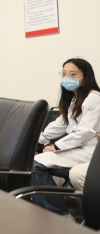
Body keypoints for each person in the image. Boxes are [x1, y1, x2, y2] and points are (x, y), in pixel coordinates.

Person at [31, 58, 100, 215]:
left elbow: (86, 132)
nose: (67, 78)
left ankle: (59, 215)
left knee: (35, 164)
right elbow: (61, 124)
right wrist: (35, 140)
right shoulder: (75, 98)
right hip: (76, 147)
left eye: (73, 74)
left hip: (90, 150)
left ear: (85, 77)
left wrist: (55, 146)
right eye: (64, 74)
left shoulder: (94, 98)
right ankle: (44, 212)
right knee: (33, 161)